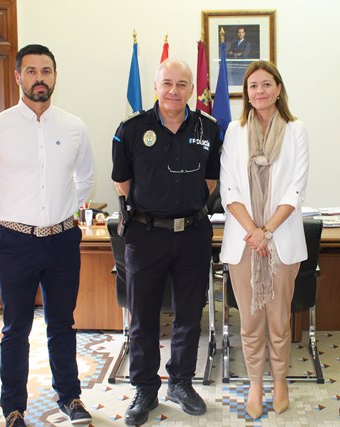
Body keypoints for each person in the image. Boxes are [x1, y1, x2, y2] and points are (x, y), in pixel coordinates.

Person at [0, 44, 94, 427]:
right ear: (18, 76)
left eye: (47, 71)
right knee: (15, 328)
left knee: (62, 323)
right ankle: (13, 409)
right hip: (16, 243)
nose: (40, 78)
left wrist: (65, 211)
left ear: (55, 76)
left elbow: (86, 178)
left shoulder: (73, 127)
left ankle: (70, 398)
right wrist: (10, 214)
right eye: (32, 71)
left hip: (62, 242)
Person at [111, 58, 222, 426]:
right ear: (156, 87)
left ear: (192, 89)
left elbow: (211, 181)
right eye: (167, 83)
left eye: (182, 84)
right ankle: (145, 388)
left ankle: (180, 382)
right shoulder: (130, 129)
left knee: (189, 315)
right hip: (145, 235)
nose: (174, 90)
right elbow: (122, 182)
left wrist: (185, 212)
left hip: (192, 234)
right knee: (142, 317)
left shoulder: (208, 127)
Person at [219, 60, 310, 420]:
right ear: (247, 93)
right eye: (252, 86)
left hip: (282, 241)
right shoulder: (234, 131)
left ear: (278, 88)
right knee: (250, 320)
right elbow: (229, 187)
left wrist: (268, 230)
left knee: (279, 319)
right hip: (243, 243)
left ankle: (281, 381)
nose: (259, 91)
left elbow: (296, 187)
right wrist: (254, 232)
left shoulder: (296, 130)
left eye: (266, 84)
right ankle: (256, 383)